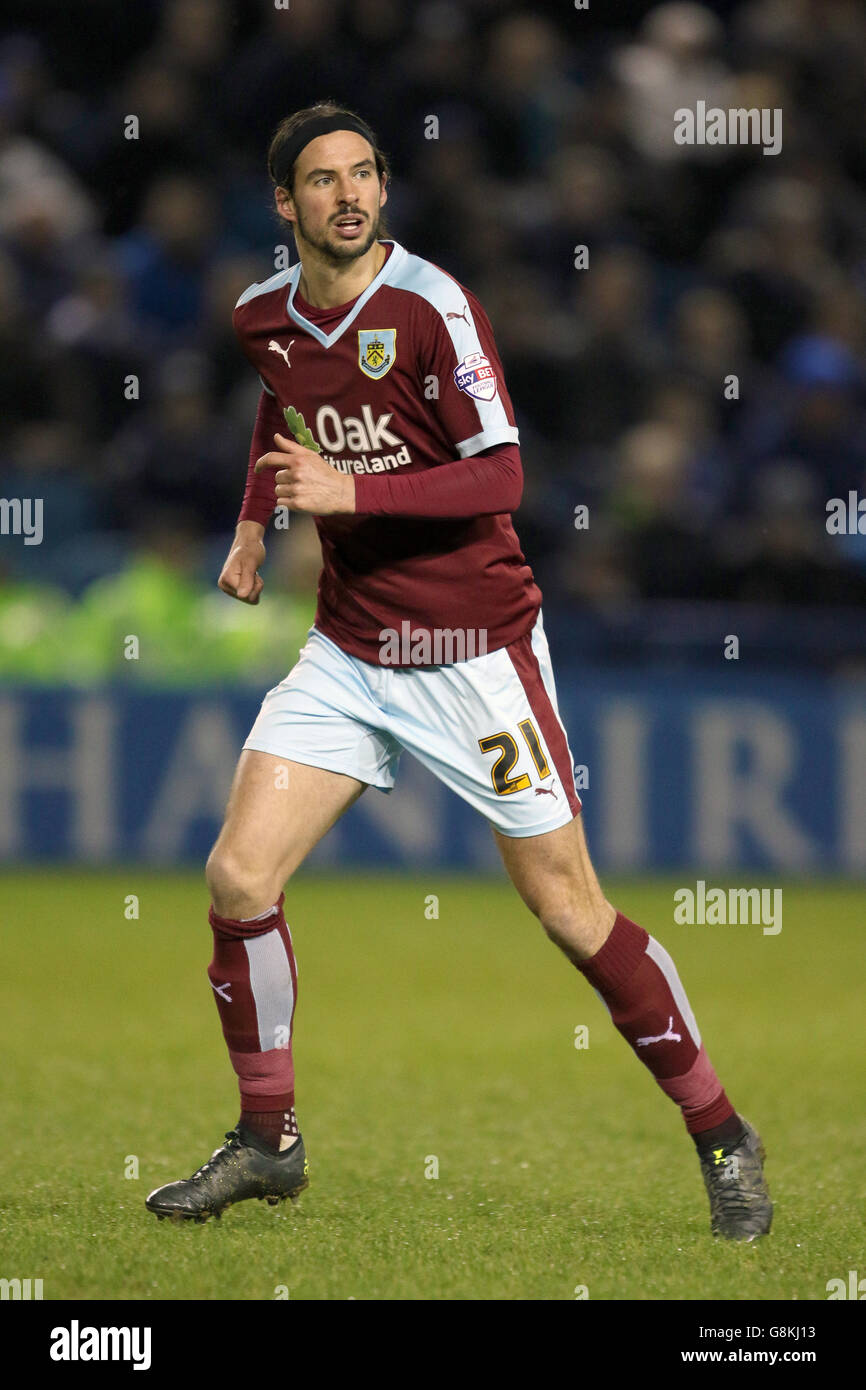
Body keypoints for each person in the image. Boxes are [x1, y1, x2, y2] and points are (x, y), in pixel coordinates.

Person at [145, 102, 771, 1240]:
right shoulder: (259, 318)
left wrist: (353, 494)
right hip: (346, 648)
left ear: (382, 189)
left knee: (568, 909)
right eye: (324, 181)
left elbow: (501, 478)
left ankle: (720, 1133)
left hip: (472, 651)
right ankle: (267, 1141)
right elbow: (282, 410)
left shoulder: (431, 307)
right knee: (238, 877)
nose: (350, 195)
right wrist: (252, 525)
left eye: (365, 175)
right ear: (284, 205)